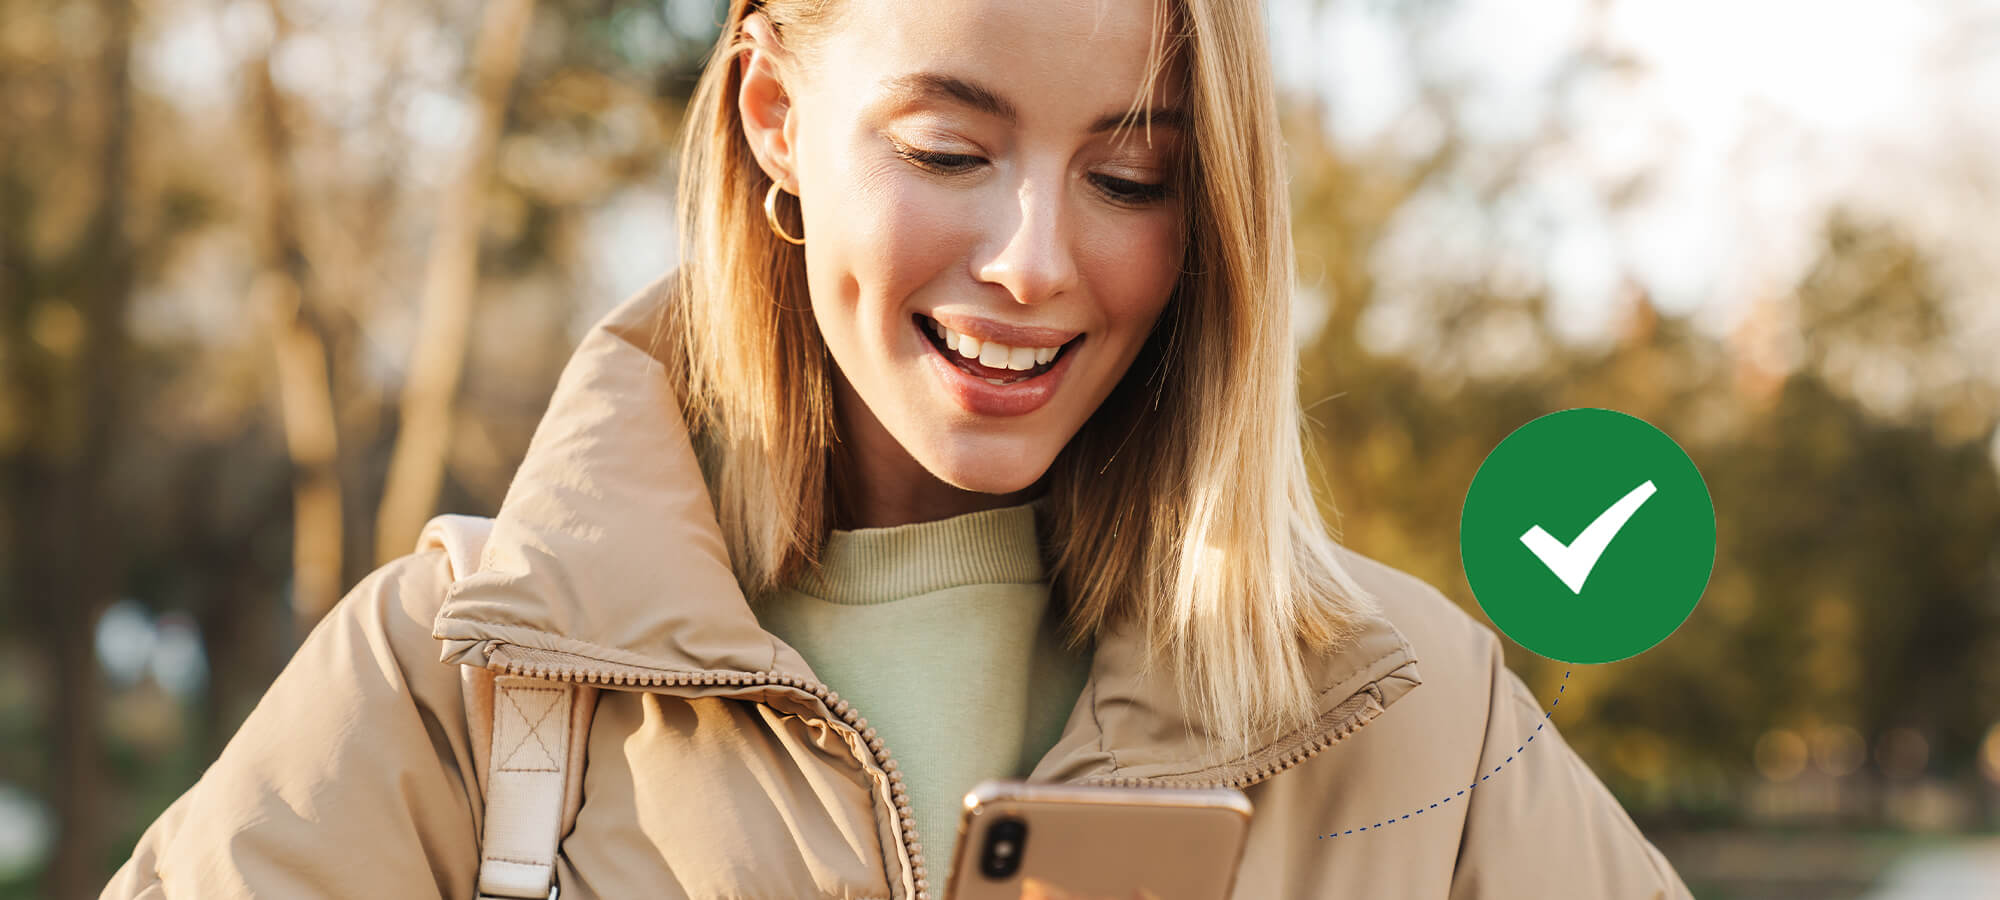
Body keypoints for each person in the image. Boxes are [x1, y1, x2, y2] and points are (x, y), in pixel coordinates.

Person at [104, 0, 1693, 897]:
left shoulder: (1411, 707)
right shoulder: (447, 690)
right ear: (775, 116)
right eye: (950, 151)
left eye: (1132, 176)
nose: (1034, 260)